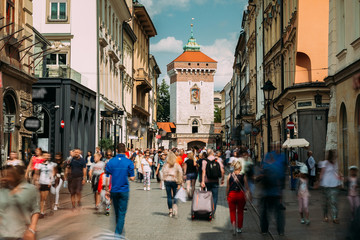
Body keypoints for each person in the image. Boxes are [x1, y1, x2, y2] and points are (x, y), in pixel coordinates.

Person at [0, 165, 40, 240]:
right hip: (3, 234)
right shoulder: (2, 191)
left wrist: (32, 229)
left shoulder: (30, 189)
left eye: (8, 175)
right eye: (2, 175)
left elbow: (36, 210)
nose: (4, 178)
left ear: (15, 176)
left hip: (22, 234)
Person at [105, 143, 135, 237]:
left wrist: (106, 189)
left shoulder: (111, 162)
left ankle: (119, 230)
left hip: (114, 190)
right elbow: (133, 178)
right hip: (124, 190)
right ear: (125, 150)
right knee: (122, 213)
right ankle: (117, 235)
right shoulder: (129, 162)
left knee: (117, 212)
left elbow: (107, 176)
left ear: (116, 150)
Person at [257, 143, 286, 236]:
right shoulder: (281, 158)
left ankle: (264, 230)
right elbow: (282, 176)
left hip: (266, 192)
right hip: (276, 192)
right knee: (278, 213)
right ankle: (280, 231)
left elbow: (261, 173)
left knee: (265, 213)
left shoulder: (266, 158)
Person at [226, 161, 250, 235]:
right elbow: (246, 187)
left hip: (232, 195)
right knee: (240, 211)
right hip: (240, 195)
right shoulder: (243, 176)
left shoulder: (229, 176)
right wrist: (248, 194)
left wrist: (226, 195)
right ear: (240, 168)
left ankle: (233, 224)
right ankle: (239, 228)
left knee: (232, 211)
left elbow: (228, 187)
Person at [319, 149, 341, 224]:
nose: (335, 157)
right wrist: (319, 181)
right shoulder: (325, 163)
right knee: (326, 202)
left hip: (334, 184)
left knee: (334, 201)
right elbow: (322, 173)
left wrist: (339, 179)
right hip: (326, 185)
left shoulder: (335, 163)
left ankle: (335, 217)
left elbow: (335, 172)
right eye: (334, 155)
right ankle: (325, 216)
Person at [201, 149, 225, 215]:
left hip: (207, 181)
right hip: (215, 181)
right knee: (215, 197)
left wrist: (202, 181)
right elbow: (222, 171)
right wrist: (222, 179)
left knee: (208, 196)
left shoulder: (204, 161)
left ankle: (208, 209)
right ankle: (212, 212)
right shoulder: (218, 160)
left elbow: (203, 171)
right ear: (213, 153)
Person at [161, 151, 183, 217]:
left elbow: (162, 172)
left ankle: (170, 210)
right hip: (174, 181)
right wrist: (180, 182)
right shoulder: (176, 165)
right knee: (175, 195)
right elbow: (180, 173)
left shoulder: (166, 165)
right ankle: (175, 205)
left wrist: (164, 179)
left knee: (169, 196)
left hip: (167, 181)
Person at [35, 152, 56, 218]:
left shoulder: (51, 165)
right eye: (44, 156)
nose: (46, 157)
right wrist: (37, 181)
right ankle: (42, 211)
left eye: (47, 156)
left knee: (45, 197)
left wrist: (51, 181)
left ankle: (46, 209)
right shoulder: (39, 165)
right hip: (41, 182)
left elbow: (53, 173)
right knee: (41, 198)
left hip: (48, 182)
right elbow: (36, 173)